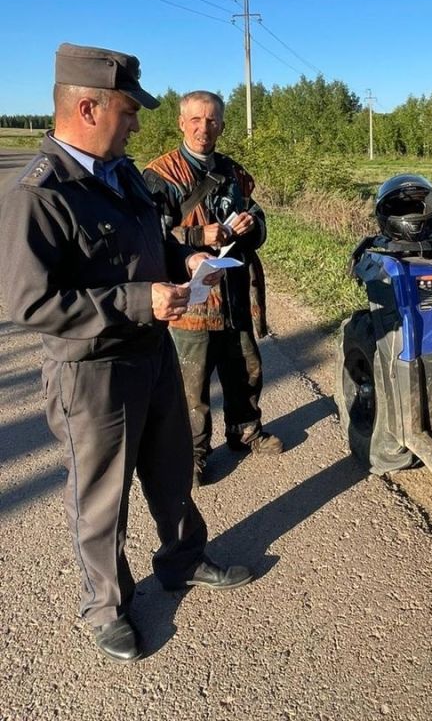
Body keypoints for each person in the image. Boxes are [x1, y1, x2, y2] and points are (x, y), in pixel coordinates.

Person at [0, 44, 255, 666]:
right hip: (92, 372)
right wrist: (141, 298)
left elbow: (149, 243)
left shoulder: (123, 175)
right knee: (101, 498)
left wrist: (185, 259)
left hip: (152, 353)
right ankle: (105, 606)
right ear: (88, 107)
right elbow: (30, 303)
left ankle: (182, 560)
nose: (139, 121)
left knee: (171, 470)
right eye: (128, 109)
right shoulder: (39, 193)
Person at [143, 91, 282, 486]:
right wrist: (194, 235)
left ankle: (245, 429)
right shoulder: (159, 176)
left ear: (222, 124)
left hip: (235, 289)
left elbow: (256, 215)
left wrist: (251, 226)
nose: (204, 128)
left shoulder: (234, 172)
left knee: (245, 366)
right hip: (190, 295)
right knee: (192, 380)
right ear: (181, 123)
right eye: (197, 120)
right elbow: (149, 237)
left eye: (213, 121)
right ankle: (193, 453)